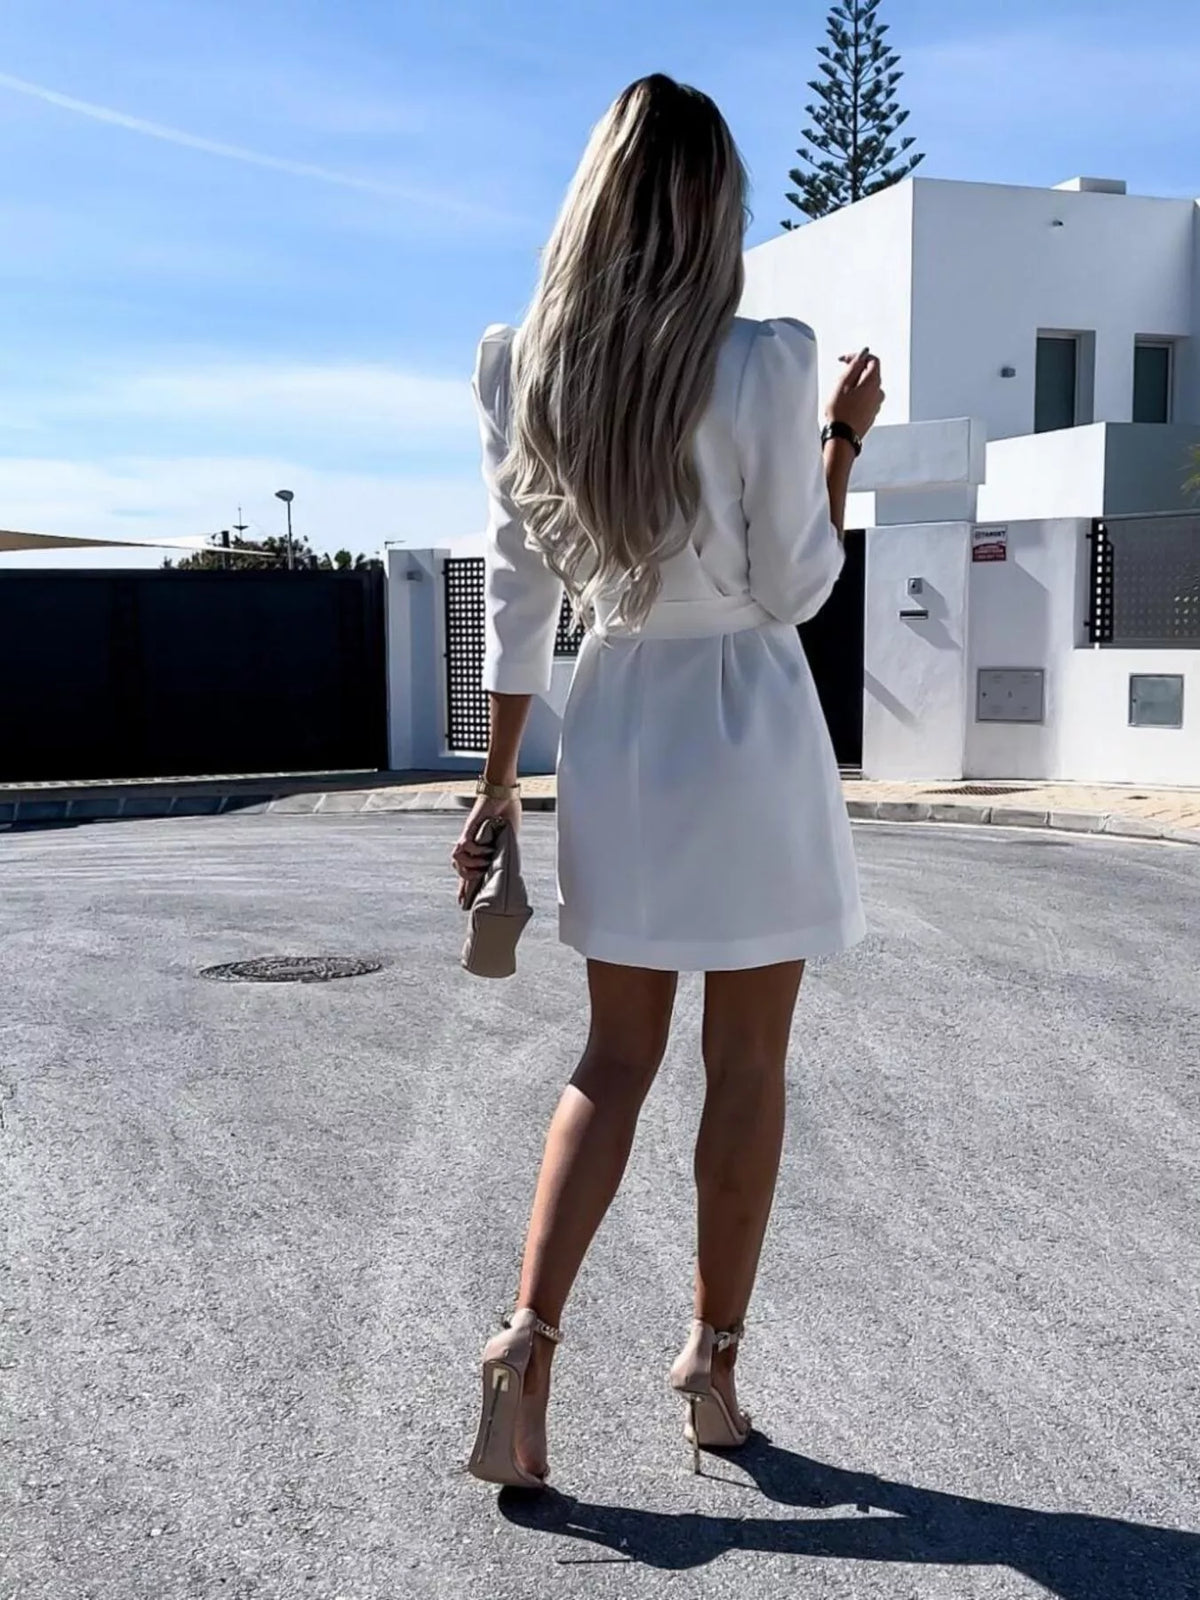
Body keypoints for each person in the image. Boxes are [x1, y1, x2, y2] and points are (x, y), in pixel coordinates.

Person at [452, 73, 883, 1490]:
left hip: (619, 718)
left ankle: (527, 1350)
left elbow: (516, 599)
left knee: (612, 1059)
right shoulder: (764, 361)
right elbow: (800, 586)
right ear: (713, 204)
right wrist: (837, 444)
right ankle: (711, 1368)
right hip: (746, 722)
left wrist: (500, 783)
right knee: (745, 1064)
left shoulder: (521, 364)